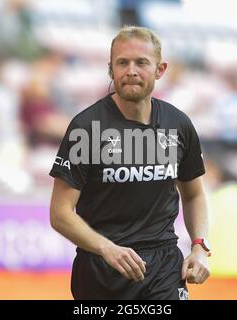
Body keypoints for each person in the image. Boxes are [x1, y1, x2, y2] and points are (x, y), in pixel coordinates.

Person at [49, 26, 210, 300]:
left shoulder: (178, 124)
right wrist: (106, 248)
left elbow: (193, 195)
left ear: (160, 70)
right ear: (111, 70)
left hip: (164, 268)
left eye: (141, 62)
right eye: (122, 62)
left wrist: (199, 246)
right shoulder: (86, 128)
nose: (131, 70)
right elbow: (60, 214)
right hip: (101, 270)